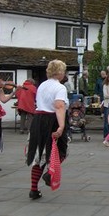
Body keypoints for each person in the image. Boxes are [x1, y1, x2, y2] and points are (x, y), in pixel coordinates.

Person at [26, 60, 69, 199]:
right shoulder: (60, 87)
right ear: (60, 72)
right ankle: (49, 174)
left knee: (40, 154)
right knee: (61, 151)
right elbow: (59, 106)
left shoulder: (42, 85)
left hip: (38, 120)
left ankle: (34, 189)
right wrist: (61, 126)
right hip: (51, 120)